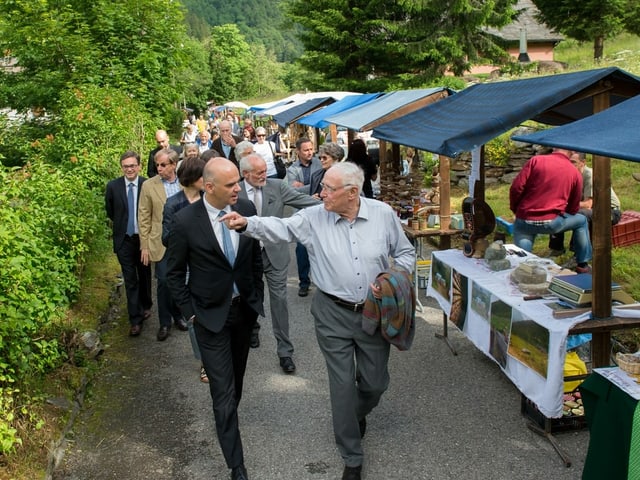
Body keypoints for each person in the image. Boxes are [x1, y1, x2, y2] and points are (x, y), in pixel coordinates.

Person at [221, 161, 415, 480]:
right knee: (341, 386)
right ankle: (352, 456)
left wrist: (392, 277)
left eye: (328, 188)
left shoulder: (382, 214)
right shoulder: (313, 216)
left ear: (352, 193)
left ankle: (357, 413)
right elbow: (280, 228)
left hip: (372, 312)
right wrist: (246, 224)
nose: (319, 192)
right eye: (322, 186)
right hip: (331, 314)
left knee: (375, 383)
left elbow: (406, 254)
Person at [166, 157, 263, 480]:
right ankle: (237, 465)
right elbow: (172, 274)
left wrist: (256, 300)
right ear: (209, 187)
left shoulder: (246, 210)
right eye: (231, 184)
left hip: (243, 313)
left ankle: (226, 422)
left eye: (238, 181)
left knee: (234, 388)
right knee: (222, 394)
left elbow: (254, 260)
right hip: (209, 318)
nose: (238, 188)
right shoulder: (185, 222)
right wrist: (191, 313)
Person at [238, 153, 320, 371]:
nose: (265, 175)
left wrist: (332, 205)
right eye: (259, 172)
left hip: (275, 254)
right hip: (246, 257)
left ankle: (285, 351)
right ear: (245, 174)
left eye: (265, 170)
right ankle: (252, 330)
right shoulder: (234, 191)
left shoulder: (276, 186)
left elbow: (304, 201)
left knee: (279, 301)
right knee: (248, 298)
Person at [510, 148, 593, 273]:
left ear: (554, 149)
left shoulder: (536, 161)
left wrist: (516, 209)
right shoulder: (575, 172)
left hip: (524, 219)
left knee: (521, 261)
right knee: (581, 220)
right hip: (552, 222)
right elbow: (573, 208)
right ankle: (582, 264)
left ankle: (521, 269)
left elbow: (516, 188)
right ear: (571, 152)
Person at [161, 156, 207, 382]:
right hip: (185, 265)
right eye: (202, 176)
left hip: (205, 263)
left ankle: (211, 357)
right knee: (193, 317)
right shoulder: (173, 204)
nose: (206, 179)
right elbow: (165, 238)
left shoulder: (208, 199)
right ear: (191, 178)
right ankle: (204, 362)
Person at [138, 148, 188, 341]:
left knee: (181, 280)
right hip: (160, 240)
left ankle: (178, 315)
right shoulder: (149, 186)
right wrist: (144, 245)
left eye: (163, 165)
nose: (158, 168)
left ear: (174, 165)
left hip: (183, 239)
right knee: (164, 282)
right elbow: (143, 217)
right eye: (157, 165)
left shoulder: (185, 182)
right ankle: (164, 322)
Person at [104, 151, 153, 337]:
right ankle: (135, 319)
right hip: (124, 239)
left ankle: (146, 304)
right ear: (122, 167)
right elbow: (110, 211)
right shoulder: (113, 186)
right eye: (126, 166)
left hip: (143, 239)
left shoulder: (146, 185)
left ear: (139, 166)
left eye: (133, 165)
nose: (130, 169)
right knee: (130, 279)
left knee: (145, 273)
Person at [548, 152, 622, 256]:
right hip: (591, 209)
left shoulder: (590, 175)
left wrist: (565, 206)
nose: (569, 165)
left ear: (583, 162)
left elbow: (588, 204)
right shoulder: (569, 175)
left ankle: (578, 256)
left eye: (573, 162)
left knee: (581, 215)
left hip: (610, 211)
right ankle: (556, 249)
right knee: (556, 210)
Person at [287, 137, 322, 297]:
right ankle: (304, 282)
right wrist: (312, 189)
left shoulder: (319, 163)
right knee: (301, 246)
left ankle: (323, 281)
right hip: (302, 211)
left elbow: (323, 185)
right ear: (298, 152)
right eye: (306, 150)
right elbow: (291, 192)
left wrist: (303, 187)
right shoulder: (292, 169)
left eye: (311, 149)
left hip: (321, 209)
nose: (310, 152)